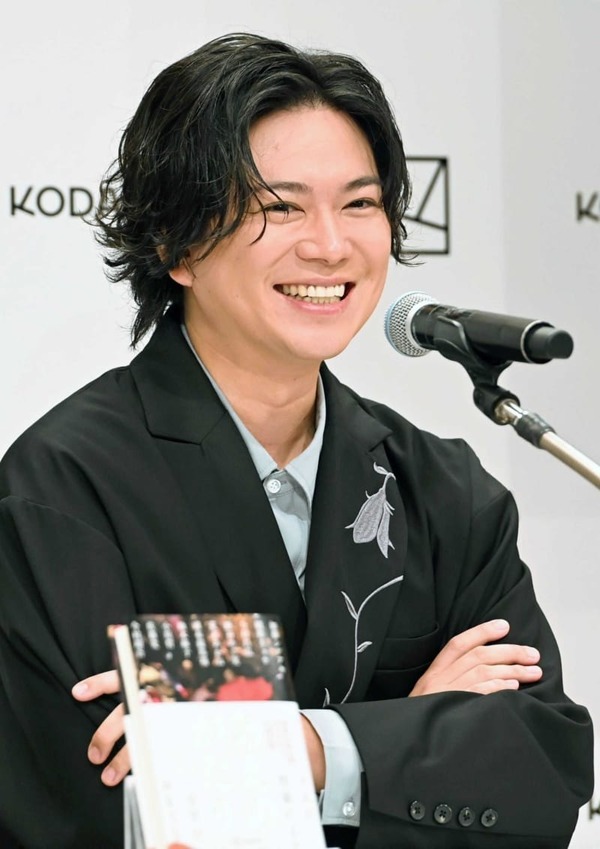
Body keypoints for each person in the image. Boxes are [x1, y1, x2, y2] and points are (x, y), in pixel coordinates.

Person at [0, 31, 593, 849]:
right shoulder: (67, 487)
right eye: (280, 207)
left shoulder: (443, 490)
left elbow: (543, 774)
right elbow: (104, 809)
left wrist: (306, 744)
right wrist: (411, 727)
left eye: (360, 203)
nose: (330, 243)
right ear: (176, 243)